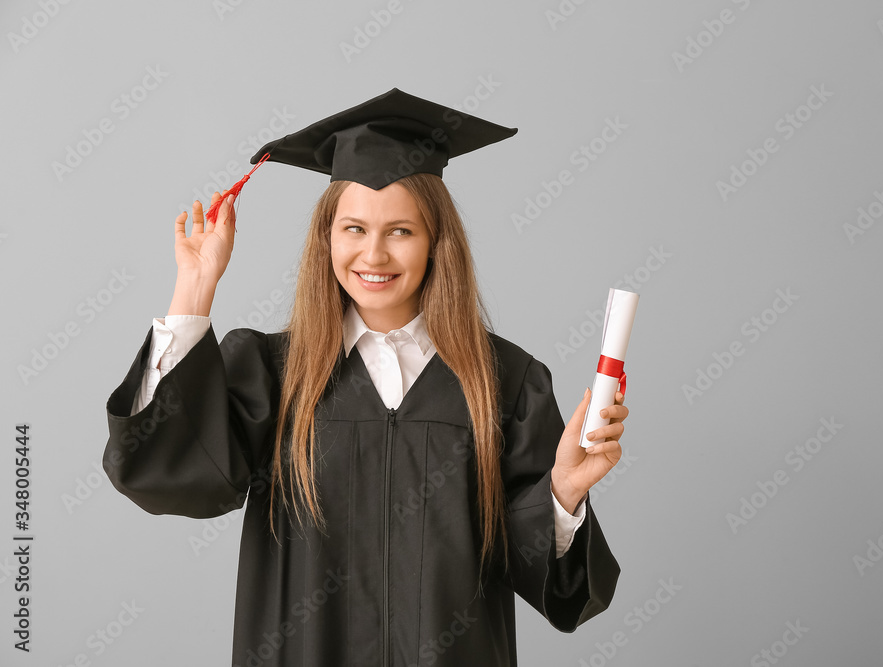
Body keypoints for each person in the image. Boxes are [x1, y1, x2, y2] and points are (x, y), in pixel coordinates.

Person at [103, 88, 629, 667]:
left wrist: (563, 493)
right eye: (353, 228)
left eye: (400, 231)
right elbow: (164, 474)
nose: (373, 255)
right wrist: (195, 288)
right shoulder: (272, 373)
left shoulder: (504, 381)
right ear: (326, 238)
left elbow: (556, 588)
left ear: (435, 244)